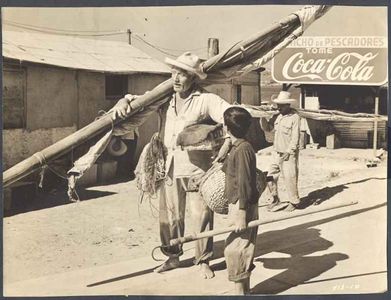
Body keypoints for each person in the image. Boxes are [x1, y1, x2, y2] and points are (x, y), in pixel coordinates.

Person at [111, 52, 231, 278]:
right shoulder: (165, 97)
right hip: (170, 166)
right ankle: (173, 257)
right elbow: (135, 99)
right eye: (174, 72)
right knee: (170, 216)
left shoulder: (206, 100)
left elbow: (230, 114)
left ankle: (202, 260)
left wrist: (222, 141)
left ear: (193, 78)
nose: (176, 78)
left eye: (183, 74)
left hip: (198, 169)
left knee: (201, 215)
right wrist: (122, 100)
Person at [222, 107, 259, 295]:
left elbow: (244, 181)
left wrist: (242, 212)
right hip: (238, 203)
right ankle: (245, 291)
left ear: (226, 128)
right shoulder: (237, 147)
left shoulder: (243, 149)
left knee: (236, 249)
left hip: (242, 204)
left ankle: (240, 292)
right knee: (242, 247)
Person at [260, 91, 301, 212]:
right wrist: (262, 116)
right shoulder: (277, 116)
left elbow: (295, 137)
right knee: (270, 176)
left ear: (288, 105)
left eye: (282, 105)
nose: (279, 107)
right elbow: (268, 128)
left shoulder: (295, 117)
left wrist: (289, 152)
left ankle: (294, 202)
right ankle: (274, 198)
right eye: (278, 105)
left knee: (290, 178)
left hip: (288, 153)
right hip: (276, 152)